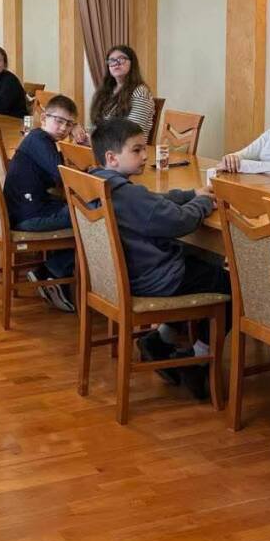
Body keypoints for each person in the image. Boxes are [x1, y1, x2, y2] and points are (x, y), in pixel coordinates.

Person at [90, 117, 227, 400]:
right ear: (112, 158)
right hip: (154, 278)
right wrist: (203, 201)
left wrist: (190, 194)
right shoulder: (127, 195)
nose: (145, 156)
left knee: (202, 260)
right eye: (137, 150)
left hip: (125, 275)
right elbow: (179, 221)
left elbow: (152, 201)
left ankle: (160, 340)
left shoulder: (98, 182)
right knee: (232, 283)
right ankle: (198, 361)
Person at [4, 93, 79, 310]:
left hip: (23, 209)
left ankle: (49, 271)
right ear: (44, 118)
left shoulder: (38, 139)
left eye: (69, 124)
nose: (64, 128)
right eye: (59, 121)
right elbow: (61, 174)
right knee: (93, 220)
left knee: (82, 211)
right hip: (28, 216)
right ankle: (52, 271)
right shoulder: (39, 140)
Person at [87, 44, 155, 138]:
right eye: (112, 60)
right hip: (103, 144)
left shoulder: (140, 92)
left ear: (132, 63)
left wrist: (97, 140)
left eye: (121, 59)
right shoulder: (105, 91)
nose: (116, 63)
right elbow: (93, 126)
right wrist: (85, 136)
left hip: (127, 145)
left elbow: (132, 132)